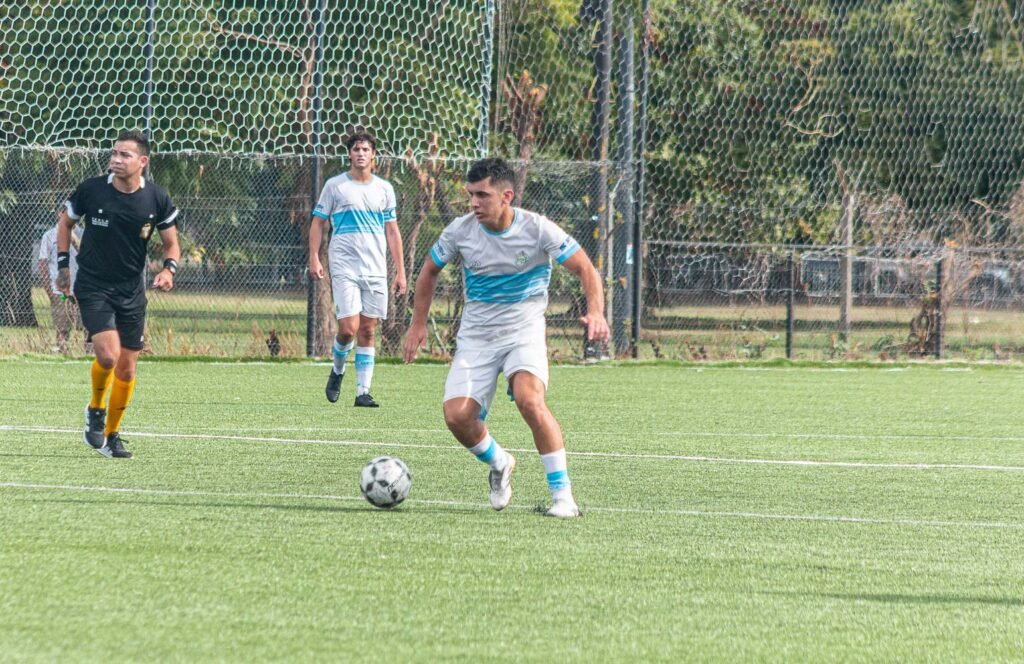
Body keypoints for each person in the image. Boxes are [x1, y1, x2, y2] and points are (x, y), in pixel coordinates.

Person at [402, 158, 610, 518]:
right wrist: (417, 324)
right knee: (457, 417)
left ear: (506, 196)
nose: (474, 203)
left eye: (482, 195)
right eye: (471, 195)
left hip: (523, 332)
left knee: (530, 400)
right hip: (477, 337)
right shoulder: (460, 231)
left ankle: (564, 498)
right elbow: (429, 271)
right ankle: (500, 462)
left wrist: (596, 311)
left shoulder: (537, 229)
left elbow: (585, 268)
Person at [56, 129, 180, 459]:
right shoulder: (92, 190)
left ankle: (111, 436)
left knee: (126, 370)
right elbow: (65, 224)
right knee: (109, 356)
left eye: (125, 154)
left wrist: (168, 270)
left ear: (143, 161)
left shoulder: (156, 198)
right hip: (93, 285)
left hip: (131, 290)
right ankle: (96, 409)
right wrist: (63, 266)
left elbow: (172, 244)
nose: (116, 159)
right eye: (114, 153)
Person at [309, 131, 406, 407]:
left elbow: (392, 231)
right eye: (356, 149)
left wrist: (400, 271)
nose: (361, 153)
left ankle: (363, 392)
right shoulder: (335, 186)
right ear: (349, 154)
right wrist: (314, 257)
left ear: (373, 155)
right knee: (349, 328)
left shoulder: (384, 189)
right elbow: (317, 222)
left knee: (368, 330)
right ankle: (337, 371)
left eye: (365, 149)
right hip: (344, 265)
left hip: (374, 267)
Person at [38, 211, 85, 353]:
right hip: (61, 293)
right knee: (62, 329)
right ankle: (61, 352)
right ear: (59, 214)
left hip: (82, 291)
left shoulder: (84, 234)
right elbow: (42, 264)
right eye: (65, 211)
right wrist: (50, 292)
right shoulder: (49, 236)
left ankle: (89, 355)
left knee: (89, 327)